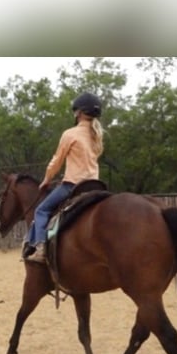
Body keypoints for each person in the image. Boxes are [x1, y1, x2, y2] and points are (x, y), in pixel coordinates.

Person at [24, 92, 105, 263]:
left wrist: (46, 179)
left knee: (41, 210)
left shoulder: (70, 134)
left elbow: (56, 161)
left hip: (73, 186)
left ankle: (40, 249)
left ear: (79, 113)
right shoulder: (96, 136)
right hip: (95, 186)